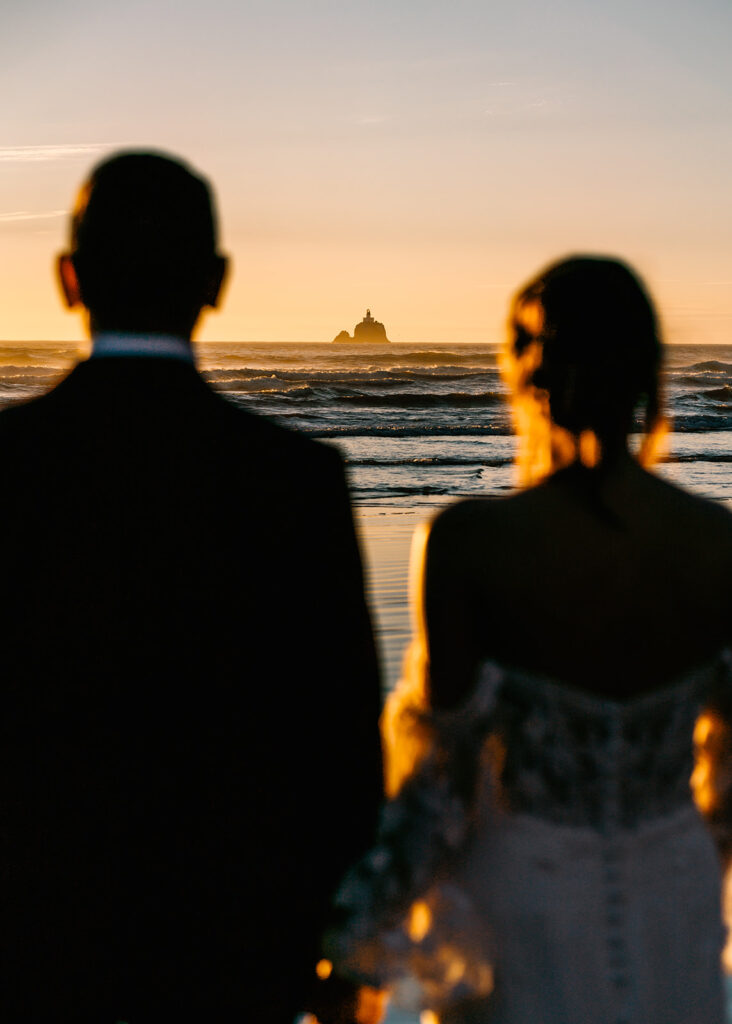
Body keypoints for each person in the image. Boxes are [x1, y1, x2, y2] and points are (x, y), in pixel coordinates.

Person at [0, 151, 383, 1023]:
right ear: (217, 282)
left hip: (31, 934)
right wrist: (343, 943)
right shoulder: (295, 480)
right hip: (237, 940)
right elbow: (338, 736)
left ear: (68, 278)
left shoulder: (10, 466)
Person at [328, 256, 732, 1024]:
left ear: (525, 375)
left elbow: (439, 793)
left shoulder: (469, 544)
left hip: (528, 897)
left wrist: (351, 937)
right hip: (674, 890)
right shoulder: (716, 542)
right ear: (646, 375)